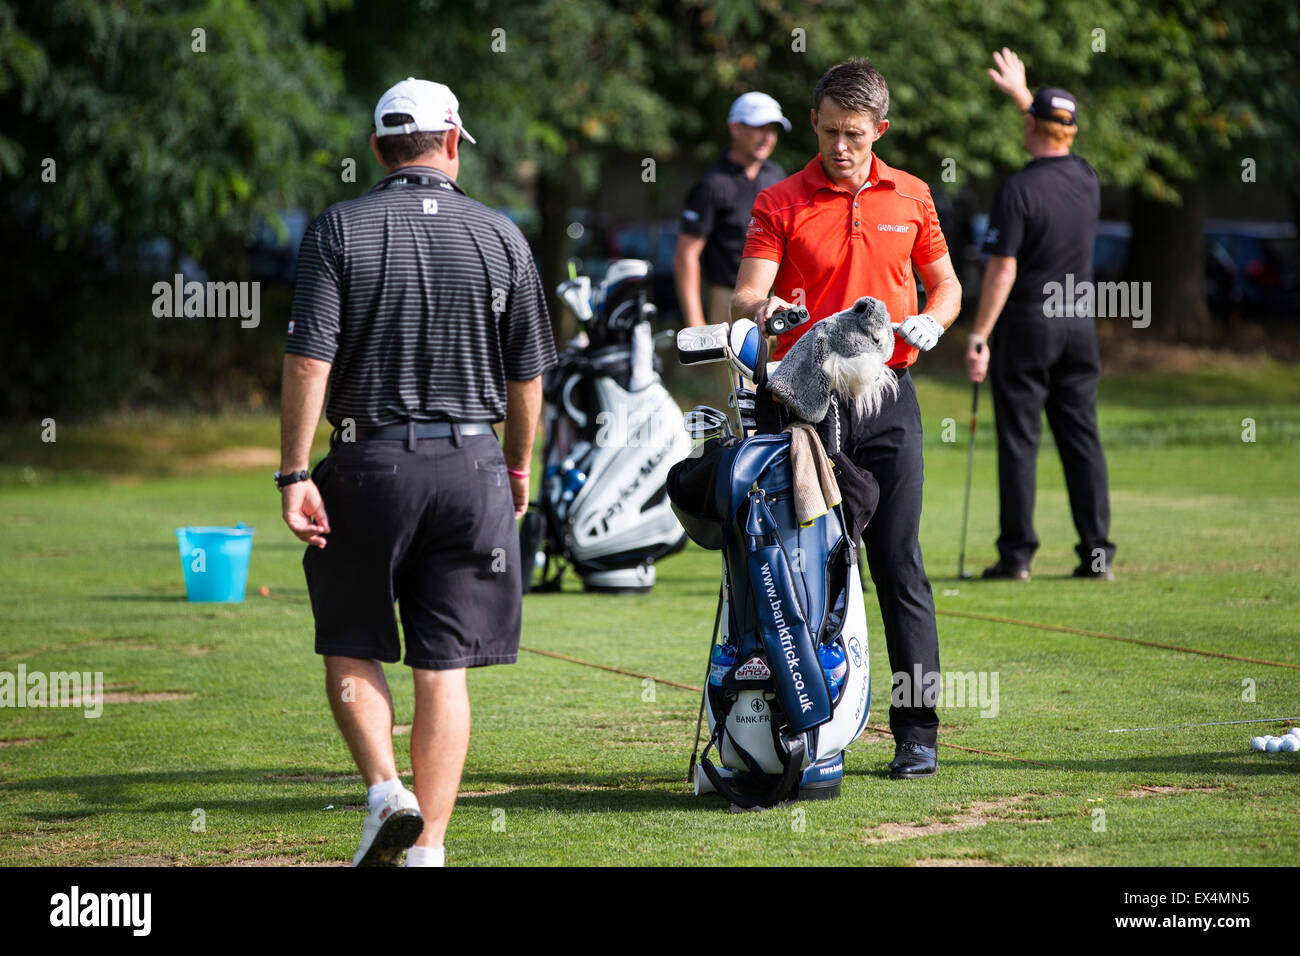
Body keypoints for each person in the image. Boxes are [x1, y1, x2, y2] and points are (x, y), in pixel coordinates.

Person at [278, 77, 556, 866]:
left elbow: (308, 362)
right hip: (473, 465)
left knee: (350, 637)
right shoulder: (503, 235)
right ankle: (429, 847)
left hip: (369, 464)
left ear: (377, 149)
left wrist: (295, 471)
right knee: (446, 663)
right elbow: (528, 377)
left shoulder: (338, 228)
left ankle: (384, 791)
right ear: (454, 142)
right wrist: (515, 464)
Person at [732, 59, 962, 779]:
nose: (840, 147)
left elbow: (947, 284)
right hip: (802, 402)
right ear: (814, 124)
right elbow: (746, 294)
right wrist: (768, 311)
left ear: (879, 131)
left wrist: (935, 321)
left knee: (900, 565)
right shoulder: (780, 199)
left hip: (888, 396)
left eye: (854, 135)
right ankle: (798, 724)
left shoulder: (913, 195)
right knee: (802, 569)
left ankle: (916, 734)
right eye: (829, 131)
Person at [966, 48, 1116, 582]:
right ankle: (1096, 554)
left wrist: (979, 333)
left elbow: (1002, 269)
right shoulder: (1088, 178)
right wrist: (1025, 98)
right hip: (1079, 321)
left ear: (1033, 126)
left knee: (1020, 439)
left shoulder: (1018, 189)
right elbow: (1050, 125)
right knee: (1081, 436)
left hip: (1030, 322)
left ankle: (1017, 556)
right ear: (1070, 131)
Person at [674, 92, 789, 328]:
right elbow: (686, 256)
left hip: (776, 299)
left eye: (773, 129)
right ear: (735, 129)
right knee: (730, 367)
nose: (767, 137)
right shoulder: (713, 185)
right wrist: (696, 322)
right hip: (727, 300)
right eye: (760, 128)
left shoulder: (776, 176)